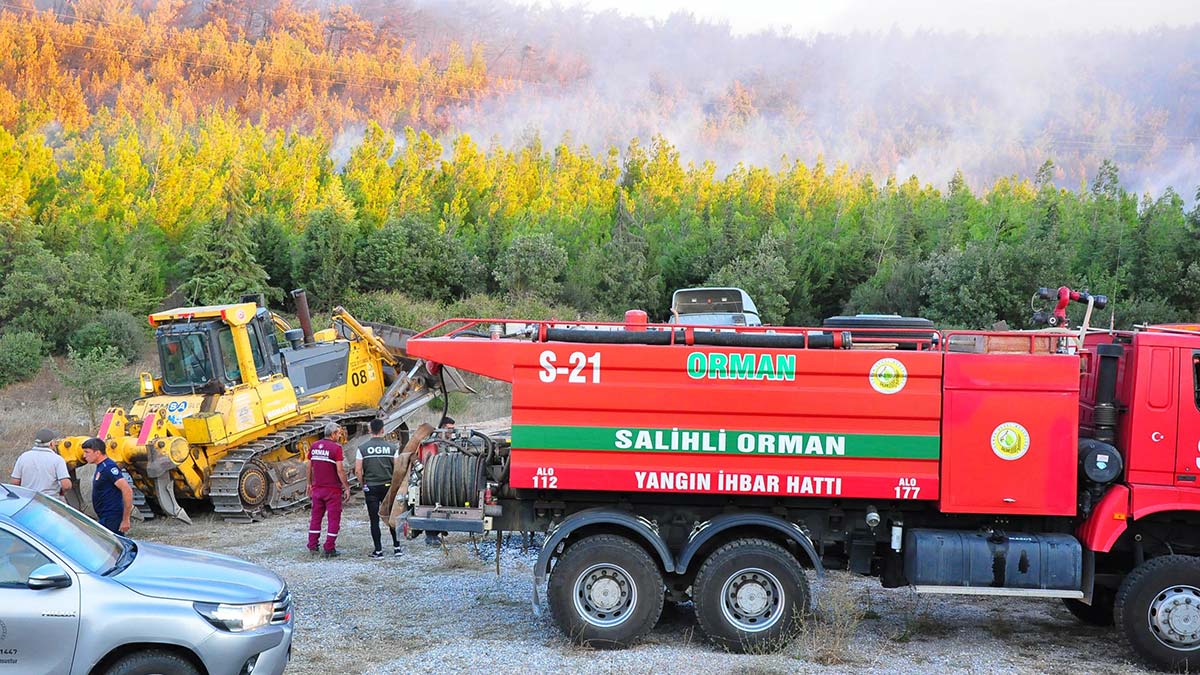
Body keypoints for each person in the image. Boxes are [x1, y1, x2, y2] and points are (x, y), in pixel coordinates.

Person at [355, 419, 402, 558]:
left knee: (374, 519)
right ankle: (397, 547)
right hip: (388, 487)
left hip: (371, 487)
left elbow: (358, 470)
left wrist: (363, 483)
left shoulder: (362, 448)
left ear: (370, 430)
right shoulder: (392, 448)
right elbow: (398, 469)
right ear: (383, 430)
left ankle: (378, 551)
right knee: (391, 517)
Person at [306, 422, 349, 558]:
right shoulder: (336, 448)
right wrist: (347, 487)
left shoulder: (313, 446)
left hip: (317, 488)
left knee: (316, 518)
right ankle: (329, 548)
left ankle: (312, 545)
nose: (340, 436)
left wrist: (309, 484)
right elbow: (340, 470)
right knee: (333, 519)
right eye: (339, 433)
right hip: (332, 490)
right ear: (333, 434)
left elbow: (309, 467)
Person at [82, 438, 134, 535]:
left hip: (112, 516)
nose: (84, 456)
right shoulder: (101, 466)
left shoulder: (109, 467)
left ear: (97, 453)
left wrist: (126, 519)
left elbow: (127, 490)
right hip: (104, 516)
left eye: (87, 452)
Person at [10, 428, 72, 501]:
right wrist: (62, 492)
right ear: (51, 443)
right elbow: (66, 485)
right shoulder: (57, 459)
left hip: (27, 500)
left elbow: (15, 482)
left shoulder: (23, 457)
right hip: (50, 502)